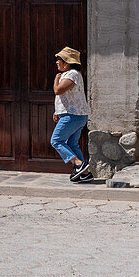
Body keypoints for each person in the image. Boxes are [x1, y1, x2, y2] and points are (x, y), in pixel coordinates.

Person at [51, 46, 93, 183]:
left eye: (60, 60)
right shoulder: (70, 74)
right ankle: (85, 174)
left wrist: (56, 79)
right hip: (74, 114)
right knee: (72, 143)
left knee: (56, 141)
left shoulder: (72, 74)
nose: (57, 62)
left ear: (67, 63)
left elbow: (58, 90)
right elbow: (67, 97)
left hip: (73, 115)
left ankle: (79, 164)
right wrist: (58, 111)